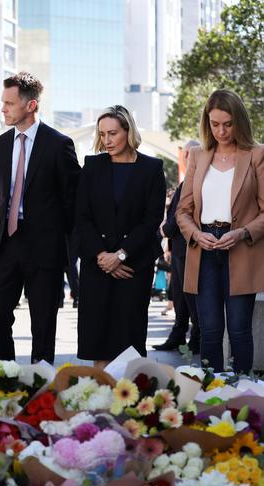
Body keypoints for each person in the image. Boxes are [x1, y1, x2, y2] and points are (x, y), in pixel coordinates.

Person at [0, 72, 81, 364]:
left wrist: (66, 250)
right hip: (6, 244)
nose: (3, 108)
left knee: (43, 324)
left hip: (45, 248)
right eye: (3, 102)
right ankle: (5, 378)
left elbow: (72, 201)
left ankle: (41, 387)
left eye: (10, 103)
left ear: (31, 105)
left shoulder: (58, 144)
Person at [176, 89, 264, 373]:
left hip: (240, 247)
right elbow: (182, 211)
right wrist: (195, 234)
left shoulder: (257, 155)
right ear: (207, 123)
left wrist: (241, 233)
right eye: (215, 124)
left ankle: (242, 395)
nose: (221, 131)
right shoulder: (199, 156)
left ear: (239, 121)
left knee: (239, 331)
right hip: (203, 249)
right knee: (209, 331)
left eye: (228, 124)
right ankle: (209, 395)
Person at [75, 105, 166, 369]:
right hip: (97, 264)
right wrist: (102, 256)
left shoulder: (151, 168)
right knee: (98, 336)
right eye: (102, 134)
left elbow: (151, 220)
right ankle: (100, 397)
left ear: (128, 130)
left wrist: (121, 255)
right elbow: (82, 216)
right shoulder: (92, 166)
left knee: (129, 334)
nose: (107, 140)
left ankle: (131, 400)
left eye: (113, 133)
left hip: (134, 264)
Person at [154, 141, 201, 353]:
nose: (186, 157)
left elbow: (182, 215)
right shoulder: (185, 182)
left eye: (190, 153)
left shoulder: (195, 181)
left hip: (189, 248)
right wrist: (170, 247)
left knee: (190, 298)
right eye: (185, 153)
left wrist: (165, 231)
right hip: (179, 250)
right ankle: (179, 335)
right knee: (179, 297)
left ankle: (195, 337)